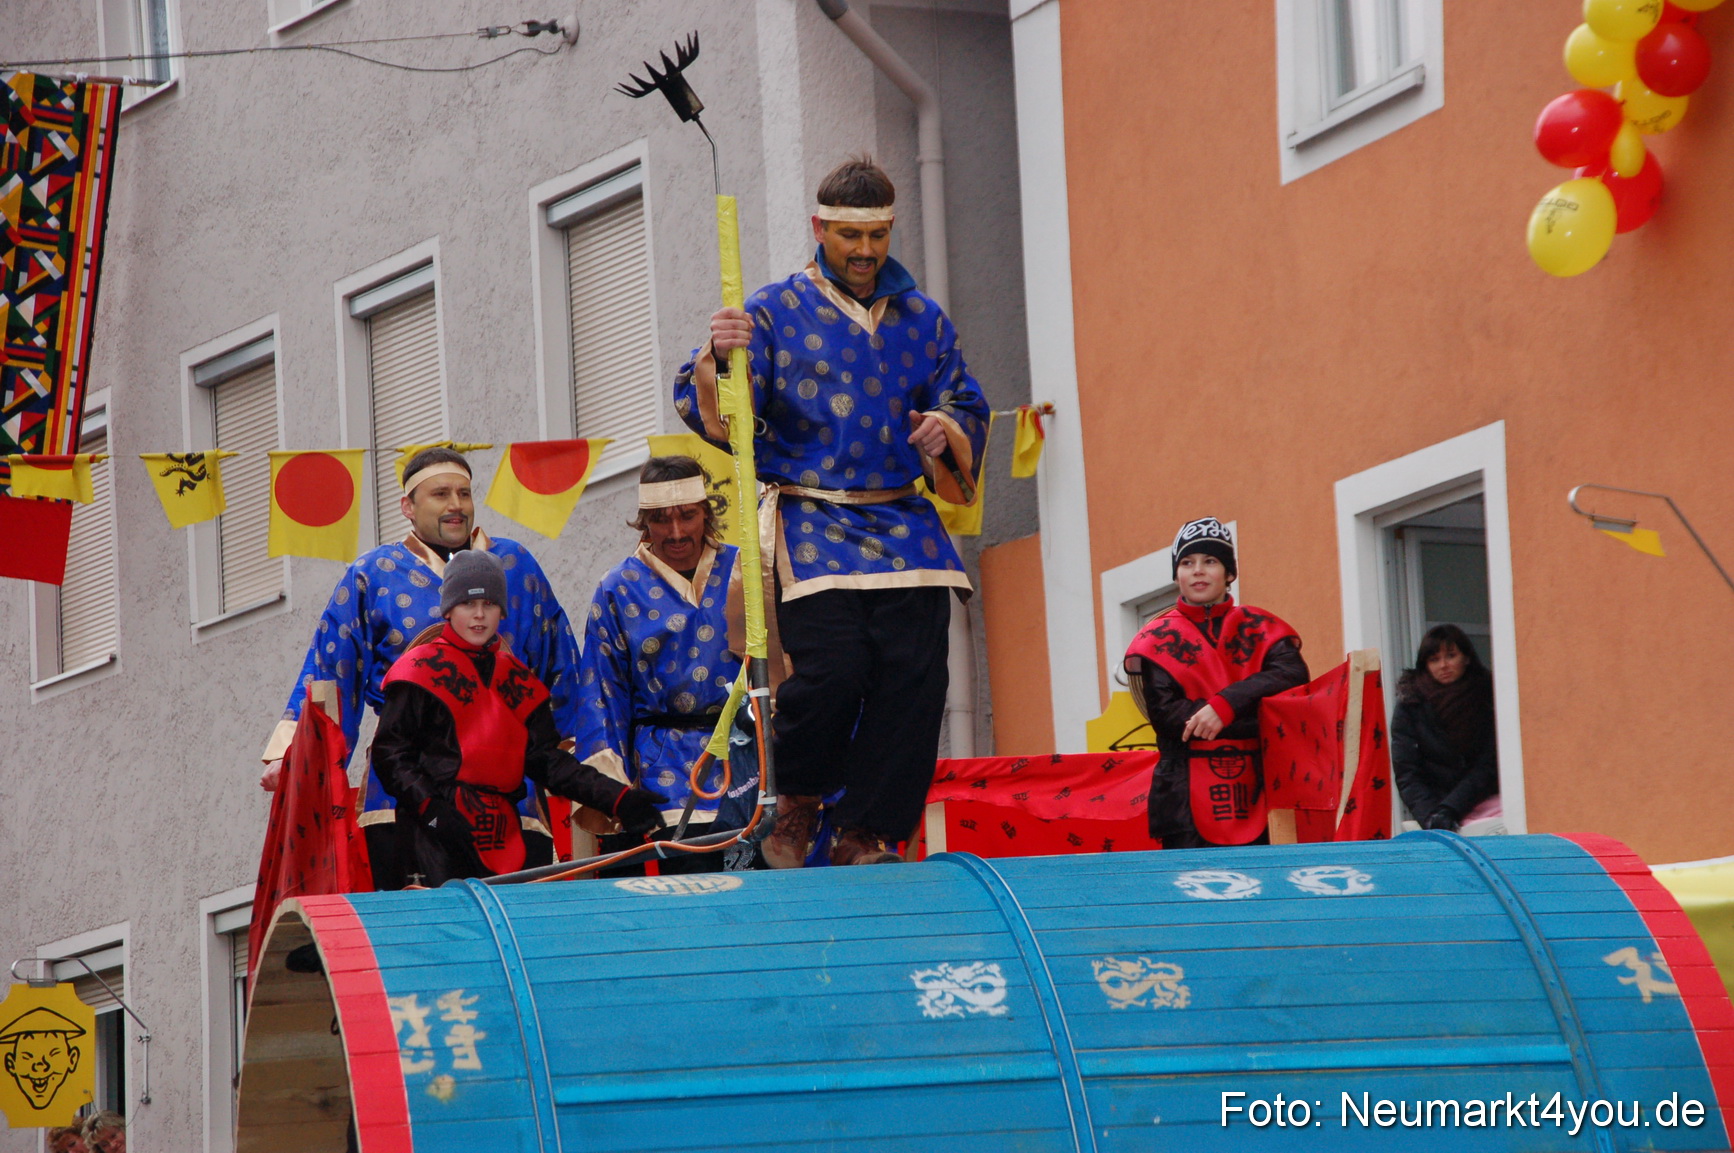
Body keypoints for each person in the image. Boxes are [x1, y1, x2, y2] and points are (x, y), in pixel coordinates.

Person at [674, 155, 989, 867]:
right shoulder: (772, 310)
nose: (865, 251)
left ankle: (870, 831)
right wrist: (719, 358)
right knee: (834, 671)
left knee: (917, 679)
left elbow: (961, 396)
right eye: (850, 235)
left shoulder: (923, 318)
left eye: (876, 235)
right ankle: (800, 798)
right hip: (812, 520)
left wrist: (947, 428)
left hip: (905, 522)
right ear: (820, 228)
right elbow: (728, 415)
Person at [258, 446, 583, 888]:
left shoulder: (515, 564)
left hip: (510, 791)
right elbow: (331, 673)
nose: (455, 506)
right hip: (408, 793)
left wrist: (586, 758)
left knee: (516, 928)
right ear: (408, 507)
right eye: (441, 494)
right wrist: (294, 754)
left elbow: (559, 661)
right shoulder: (372, 575)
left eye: (464, 494)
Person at [369, 551, 664, 884]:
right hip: (430, 839)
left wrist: (619, 799)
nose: (479, 616)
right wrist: (432, 811)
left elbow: (548, 762)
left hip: (503, 835)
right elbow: (390, 753)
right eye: (468, 605)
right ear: (449, 609)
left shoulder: (519, 680)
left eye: (490, 605)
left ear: (502, 611)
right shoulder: (417, 671)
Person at [574, 456, 759, 874]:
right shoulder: (618, 588)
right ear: (644, 522)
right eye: (661, 520)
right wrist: (615, 793)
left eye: (687, 516)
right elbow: (602, 697)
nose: (676, 532)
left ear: (706, 513)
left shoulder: (745, 571)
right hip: (663, 775)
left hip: (747, 762)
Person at [1123, 518, 1309, 848]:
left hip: (1263, 792)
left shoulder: (1262, 627)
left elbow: (1292, 677)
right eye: (1187, 562)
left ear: (1229, 573)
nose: (1198, 571)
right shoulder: (1154, 640)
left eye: (1210, 561)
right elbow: (1168, 718)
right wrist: (1253, 717)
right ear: (1176, 575)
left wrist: (1224, 707)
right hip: (1184, 804)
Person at [1392, 624, 1499, 832]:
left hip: (1486, 806)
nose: (1443, 665)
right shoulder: (1410, 703)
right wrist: (1432, 816)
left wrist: (1451, 808)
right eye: (1434, 659)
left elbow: (1490, 763)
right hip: (1432, 810)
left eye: (1451, 656)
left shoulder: (1488, 697)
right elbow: (1406, 771)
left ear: (1466, 658)